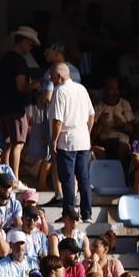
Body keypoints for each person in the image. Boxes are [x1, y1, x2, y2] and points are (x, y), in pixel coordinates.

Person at [48, 61, 95, 223]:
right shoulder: (81, 89)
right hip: (83, 140)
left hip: (67, 141)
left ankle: (68, 214)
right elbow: (91, 115)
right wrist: (86, 131)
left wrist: (53, 141)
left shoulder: (60, 91)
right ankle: (87, 214)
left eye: (52, 77)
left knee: (67, 179)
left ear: (58, 76)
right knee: (84, 178)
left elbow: (57, 121)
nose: (51, 80)